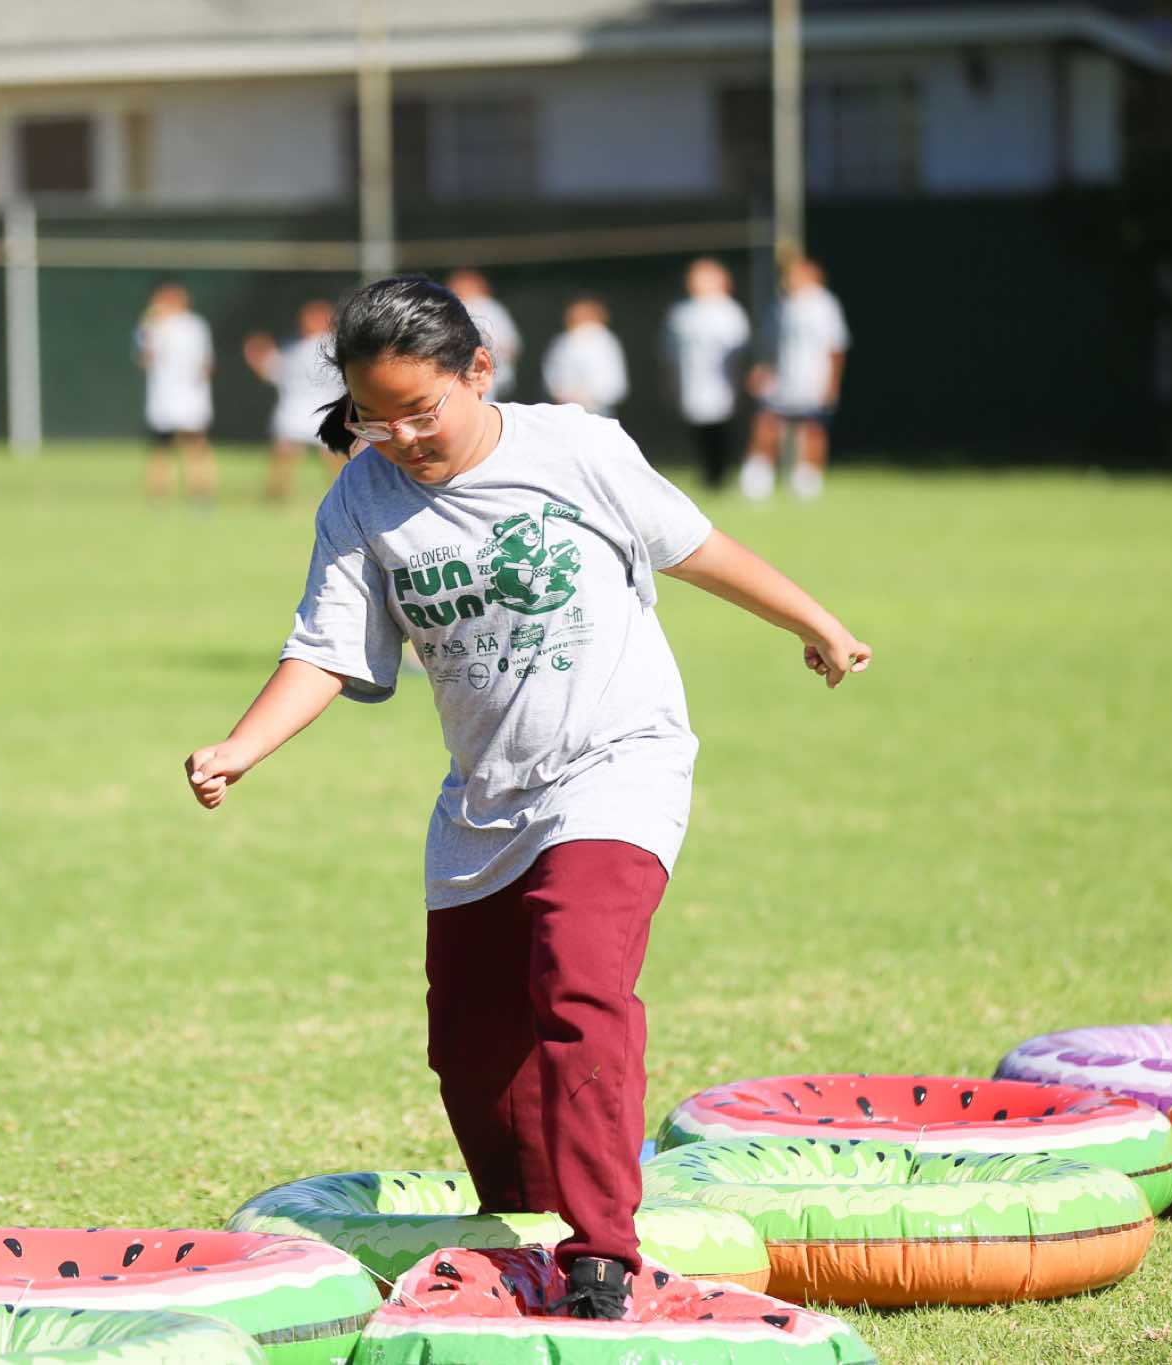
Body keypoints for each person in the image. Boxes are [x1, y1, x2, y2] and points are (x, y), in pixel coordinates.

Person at [182, 276, 871, 1320]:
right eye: (376, 418)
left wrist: (814, 621)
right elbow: (324, 650)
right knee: (468, 1043)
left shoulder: (575, 449)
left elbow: (695, 548)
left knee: (579, 983)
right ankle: (532, 1218)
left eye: (422, 411)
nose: (403, 438)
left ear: (478, 370)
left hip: (617, 764)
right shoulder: (361, 498)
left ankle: (600, 1254)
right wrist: (242, 745)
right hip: (486, 798)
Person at [744, 255, 849, 502]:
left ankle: (807, 482)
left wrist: (831, 384)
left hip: (813, 380)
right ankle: (757, 481)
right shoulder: (780, 306)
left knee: (812, 429)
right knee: (767, 425)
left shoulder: (824, 305)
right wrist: (762, 370)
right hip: (781, 381)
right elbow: (770, 346)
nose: (789, 280)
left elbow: (836, 347)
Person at [243, 297, 345, 502]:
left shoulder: (335, 348)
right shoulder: (295, 346)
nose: (307, 321)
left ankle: (346, 497)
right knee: (283, 459)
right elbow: (276, 373)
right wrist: (258, 357)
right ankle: (275, 499)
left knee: (335, 462)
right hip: (294, 411)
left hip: (325, 411)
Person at [663, 257, 750, 490]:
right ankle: (708, 474)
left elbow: (739, 353)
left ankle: (722, 474)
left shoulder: (729, 312)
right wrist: (671, 380)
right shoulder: (682, 314)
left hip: (722, 383)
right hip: (692, 381)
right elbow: (670, 353)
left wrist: (738, 380)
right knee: (698, 429)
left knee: (722, 429)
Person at [134, 281, 217, 503]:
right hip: (163, 398)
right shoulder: (151, 326)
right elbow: (144, 359)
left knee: (196, 447)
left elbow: (206, 363)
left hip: (190, 397)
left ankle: (201, 495)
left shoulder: (195, 326)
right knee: (160, 448)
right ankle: (158, 497)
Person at [541, 296, 629, 417]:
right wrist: (561, 392)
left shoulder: (605, 341)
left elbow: (613, 383)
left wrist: (588, 395)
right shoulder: (562, 341)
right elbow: (551, 374)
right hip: (562, 410)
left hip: (596, 411)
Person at [447, 268, 522, 400]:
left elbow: (511, 345)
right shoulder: (451, 308)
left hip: (489, 374)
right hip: (459, 374)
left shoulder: (490, 307)